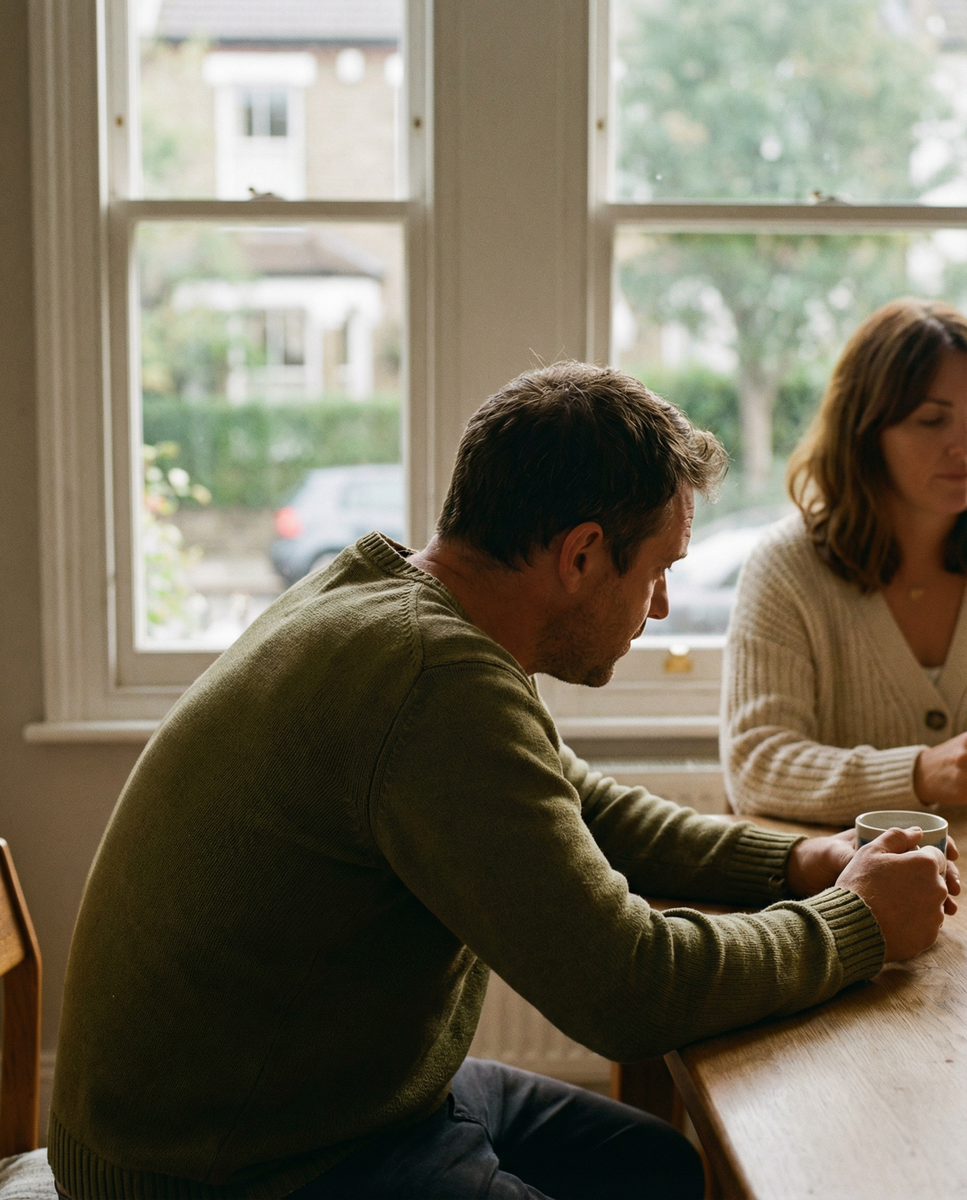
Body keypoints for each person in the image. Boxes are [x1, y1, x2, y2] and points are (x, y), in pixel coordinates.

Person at [50, 362, 957, 1200]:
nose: (663, 606)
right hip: (229, 1169)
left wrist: (800, 860)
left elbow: (583, 806)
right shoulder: (431, 680)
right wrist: (858, 923)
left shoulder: (392, 602)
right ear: (581, 554)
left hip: (296, 1109)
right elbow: (629, 989)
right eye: (658, 571)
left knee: (655, 1167)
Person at [722, 298, 967, 823]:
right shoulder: (786, 569)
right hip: (847, 897)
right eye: (931, 421)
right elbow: (756, 766)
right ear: (865, 432)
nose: (962, 446)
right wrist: (922, 773)